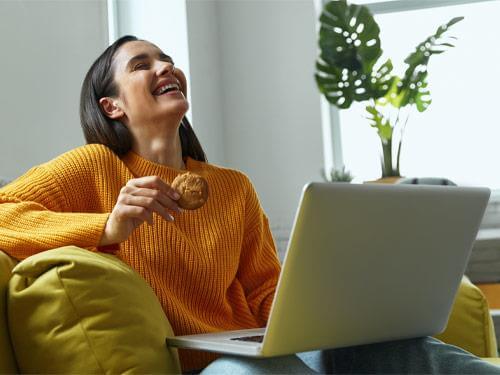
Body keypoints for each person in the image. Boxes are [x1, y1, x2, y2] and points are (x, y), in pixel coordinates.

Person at [0, 35, 498, 375]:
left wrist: (339, 309)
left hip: (256, 348)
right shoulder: (94, 168)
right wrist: (106, 227)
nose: (165, 66)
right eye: (141, 65)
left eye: (165, 58)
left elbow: (264, 290)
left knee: (409, 352)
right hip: (210, 368)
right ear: (112, 106)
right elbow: (5, 212)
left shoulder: (232, 187)